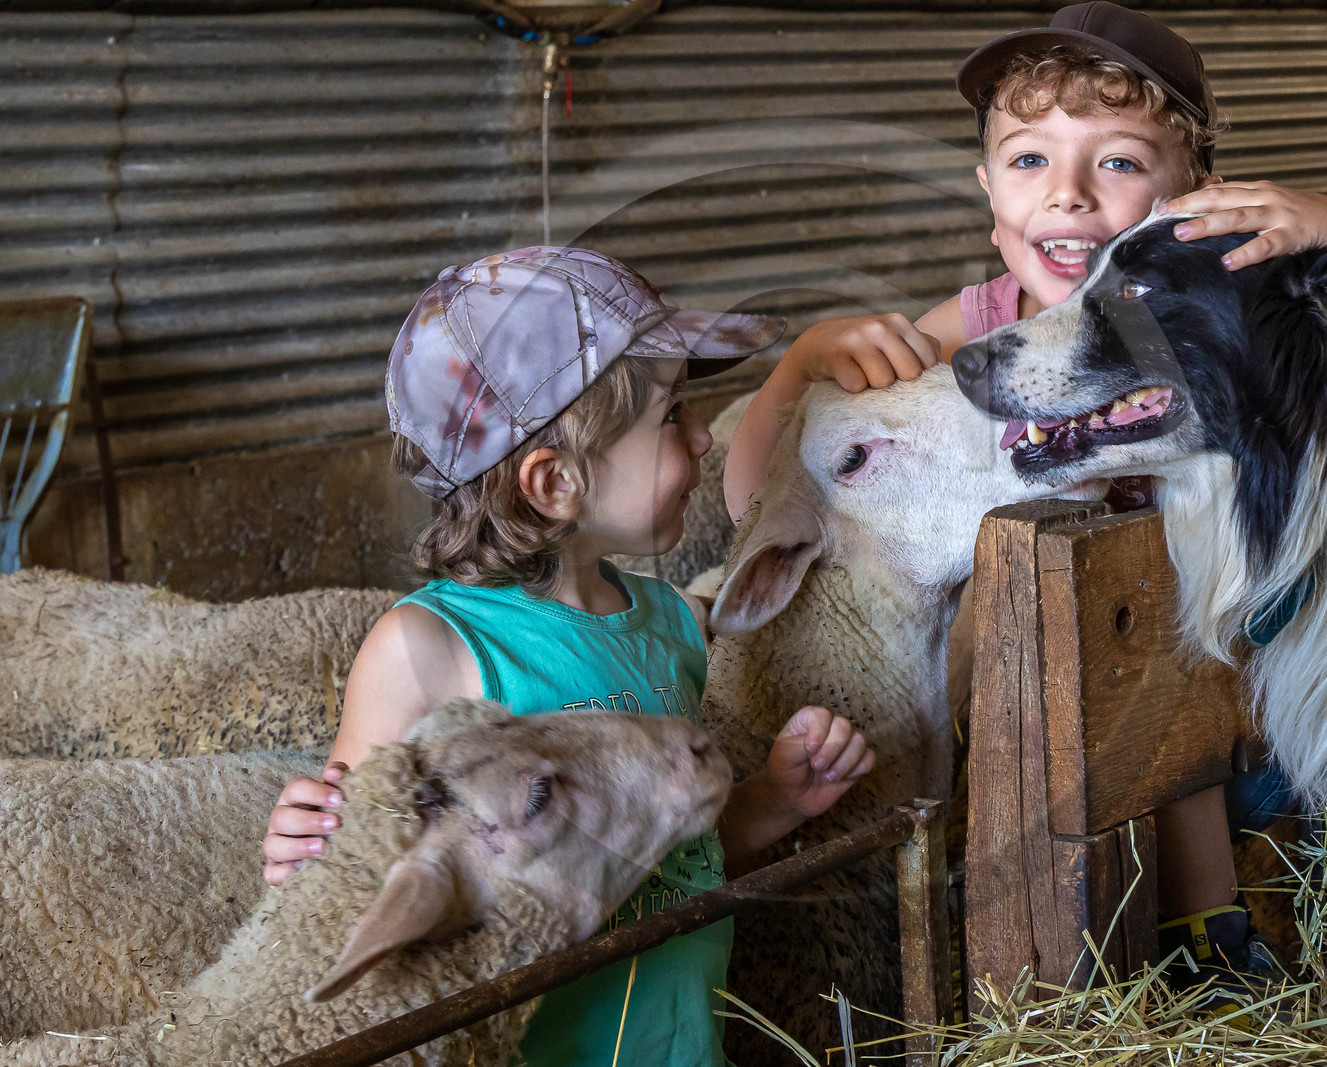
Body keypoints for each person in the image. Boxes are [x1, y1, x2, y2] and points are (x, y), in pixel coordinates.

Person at [721, 1, 1327, 1014]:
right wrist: (805, 361)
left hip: (1244, 710)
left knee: (1171, 662)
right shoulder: (980, 331)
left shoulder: (1231, 305)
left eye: (1115, 163)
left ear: (1192, 198)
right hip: (1039, 711)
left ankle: (1216, 932)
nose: (1067, 196)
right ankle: (1040, 964)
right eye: (1028, 161)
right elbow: (767, 489)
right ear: (987, 191)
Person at [259, 246, 876, 1066]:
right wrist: (300, 850)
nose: (703, 438)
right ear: (554, 484)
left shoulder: (669, 626)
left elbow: (675, 846)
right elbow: (353, 879)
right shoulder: (430, 649)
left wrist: (778, 799)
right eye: (673, 415)